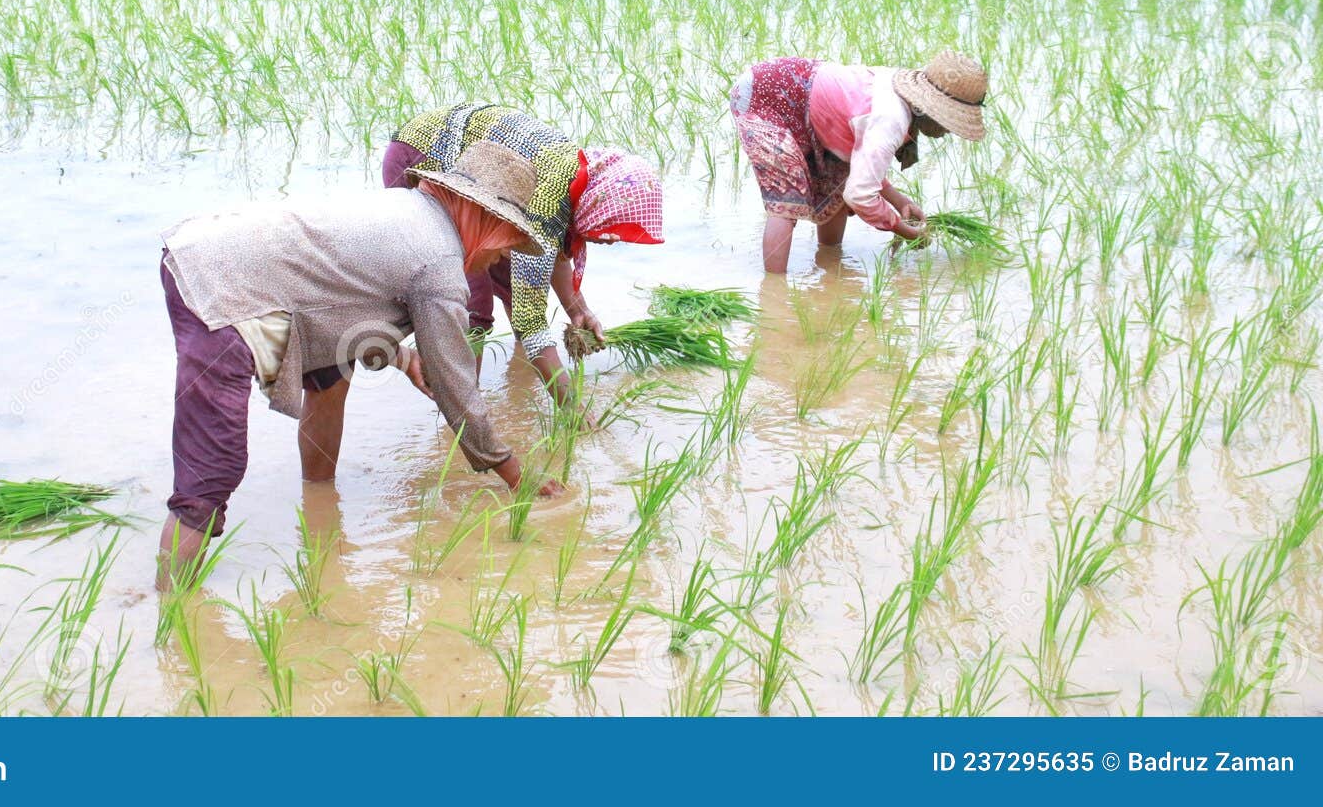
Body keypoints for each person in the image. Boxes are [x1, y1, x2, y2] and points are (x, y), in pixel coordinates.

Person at [156, 141, 563, 583]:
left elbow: (342, 299)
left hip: (215, 250)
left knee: (331, 374)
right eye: (507, 244)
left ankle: (319, 499)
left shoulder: (407, 209)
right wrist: (515, 476)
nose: (503, 257)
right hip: (222, 286)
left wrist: (405, 359)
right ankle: (171, 611)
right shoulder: (440, 263)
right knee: (213, 468)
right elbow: (457, 389)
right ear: (488, 220)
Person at [383, 103, 664, 406]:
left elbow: (545, 253)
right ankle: (463, 412)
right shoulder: (550, 196)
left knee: (514, 282)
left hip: (489, 187)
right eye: (611, 228)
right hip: (424, 158)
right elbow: (531, 317)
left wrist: (578, 311)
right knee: (472, 303)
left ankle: (517, 395)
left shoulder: (575, 180)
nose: (611, 240)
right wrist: (572, 410)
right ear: (599, 205)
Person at [730, 50, 988, 272]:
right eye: (949, 123)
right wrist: (900, 228)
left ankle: (830, 260)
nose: (947, 132)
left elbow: (861, 173)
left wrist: (900, 201)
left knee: (839, 179)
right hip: (765, 96)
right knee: (787, 198)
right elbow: (860, 196)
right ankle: (776, 293)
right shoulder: (890, 120)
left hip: (806, 95)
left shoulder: (899, 100)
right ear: (932, 111)